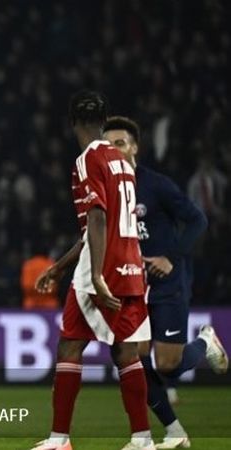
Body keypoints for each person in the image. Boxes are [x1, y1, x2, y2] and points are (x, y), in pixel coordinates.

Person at [32, 91, 153, 450]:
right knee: (126, 354)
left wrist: (97, 275)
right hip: (131, 267)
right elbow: (101, 227)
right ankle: (142, 438)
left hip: (100, 270)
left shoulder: (88, 160)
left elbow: (97, 219)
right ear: (104, 121)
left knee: (69, 347)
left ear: (72, 123)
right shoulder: (122, 162)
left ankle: (59, 438)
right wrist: (58, 267)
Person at [104, 116, 226, 449]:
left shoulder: (155, 185)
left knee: (169, 366)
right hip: (132, 288)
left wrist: (170, 256)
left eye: (120, 143)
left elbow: (197, 220)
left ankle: (205, 343)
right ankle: (173, 431)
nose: (113, 151)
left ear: (134, 147)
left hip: (168, 283)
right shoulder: (106, 191)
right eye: (107, 145)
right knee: (134, 359)